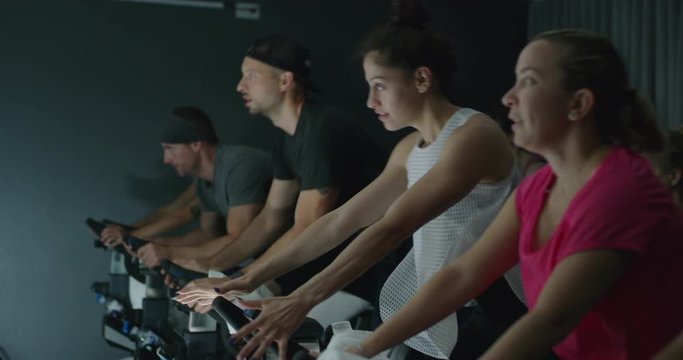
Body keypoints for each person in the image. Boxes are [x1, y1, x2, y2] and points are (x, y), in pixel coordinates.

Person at [177, 4, 526, 359]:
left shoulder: (474, 135)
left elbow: (393, 226)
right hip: (443, 302)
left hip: (493, 305)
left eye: (379, 86)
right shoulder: (409, 148)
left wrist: (303, 299)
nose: (370, 101)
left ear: (421, 79)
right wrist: (247, 278)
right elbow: (340, 222)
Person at [335, 29, 683, 360]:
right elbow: (464, 274)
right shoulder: (540, 184)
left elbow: (551, 319)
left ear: (578, 104)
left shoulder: (619, 190)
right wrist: (367, 348)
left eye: (528, 81)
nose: (508, 97)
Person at [178, 35, 387, 298]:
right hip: (335, 260)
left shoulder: (319, 130)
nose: (240, 86)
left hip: (376, 264)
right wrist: (215, 266)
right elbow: (271, 217)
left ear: (285, 81)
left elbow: (307, 227)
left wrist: (242, 280)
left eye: (250, 76)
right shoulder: (285, 138)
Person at [124, 106, 272, 272]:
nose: (166, 159)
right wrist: (159, 244)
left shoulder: (239, 166)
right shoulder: (204, 181)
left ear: (195, 144)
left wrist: (171, 252)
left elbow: (238, 241)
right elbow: (208, 234)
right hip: (267, 263)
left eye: (170, 149)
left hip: (294, 268)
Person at [99, 184, 198, 248]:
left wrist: (129, 237)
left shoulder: (210, 177)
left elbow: (185, 214)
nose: (167, 160)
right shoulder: (200, 182)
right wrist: (127, 229)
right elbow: (167, 211)